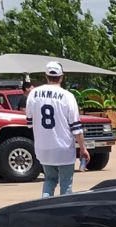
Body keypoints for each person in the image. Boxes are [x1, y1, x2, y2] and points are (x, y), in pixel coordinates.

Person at [26, 61, 88, 198]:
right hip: (63, 148)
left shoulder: (33, 93)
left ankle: (45, 210)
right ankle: (64, 215)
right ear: (61, 77)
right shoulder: (67, 96)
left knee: (49, 180)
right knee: (66, 184)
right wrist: (83, 148)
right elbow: (76, 127)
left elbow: (29, 122)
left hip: (43, 148)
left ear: (46, 76)